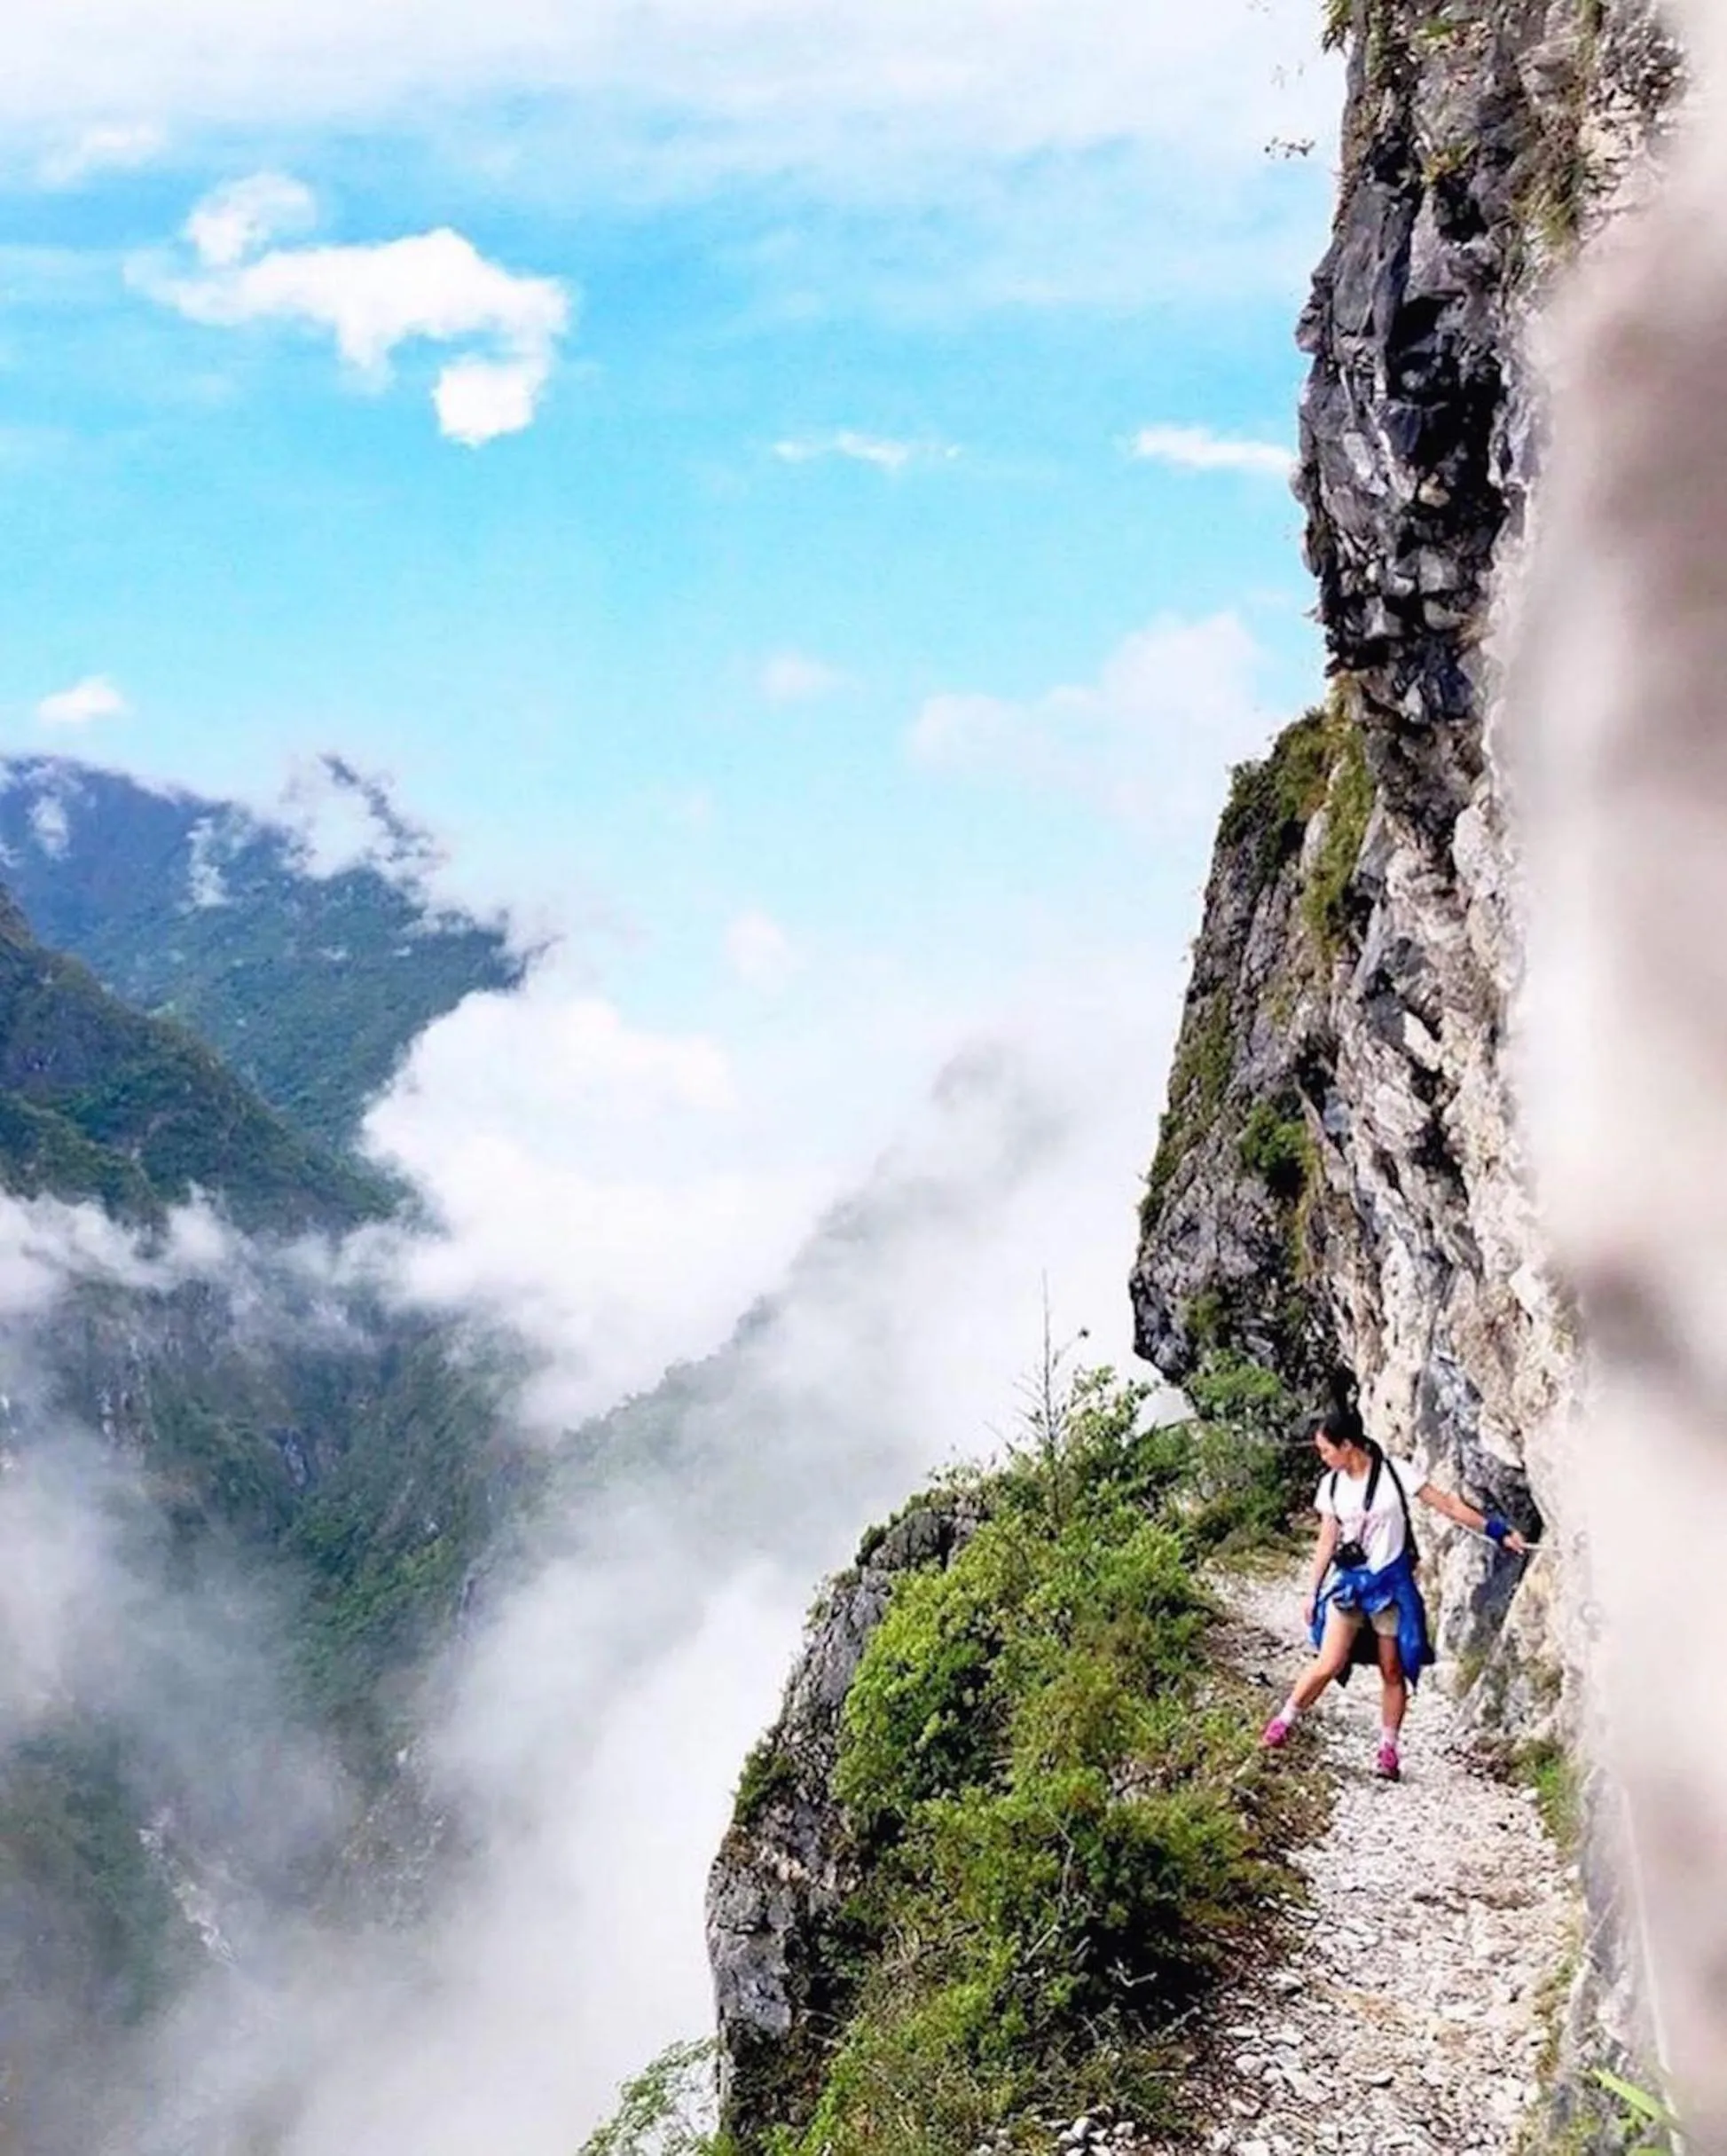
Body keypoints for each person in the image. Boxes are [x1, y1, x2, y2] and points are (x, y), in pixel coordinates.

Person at [1260, 1400, 1531, 1780]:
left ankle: (1388, 1748)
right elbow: (1326, 1540)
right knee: (1329, 1660)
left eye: (1325, 1449)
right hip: (1351, 1584)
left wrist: (1498, 1532)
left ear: (1348, 1445)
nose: (1322, 1457)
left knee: (1392, 1667)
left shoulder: (1394, 1473)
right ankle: (1283, 1722)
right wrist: (1312, 1591)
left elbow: (1449, 1505)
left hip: (1391, 1584)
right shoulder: (1331, 1485)